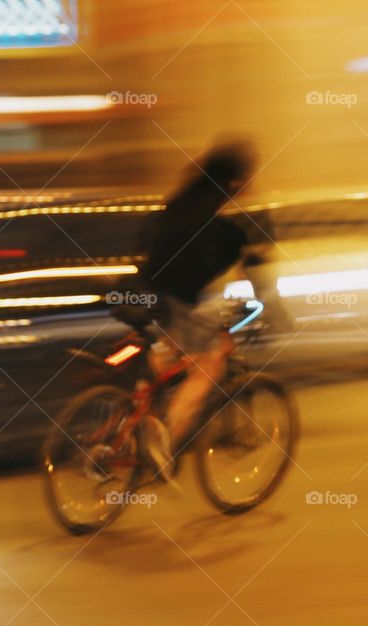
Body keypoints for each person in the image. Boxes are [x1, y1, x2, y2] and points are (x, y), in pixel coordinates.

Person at [135, 139, 265, 477]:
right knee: (208, 365)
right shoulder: (215, 215)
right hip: (178, 293)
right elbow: (224, 263)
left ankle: (139, 412)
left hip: (149, 287)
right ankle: (161, 441)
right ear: (235, 179)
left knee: (173, 350)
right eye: (248, 178)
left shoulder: (184, 199)